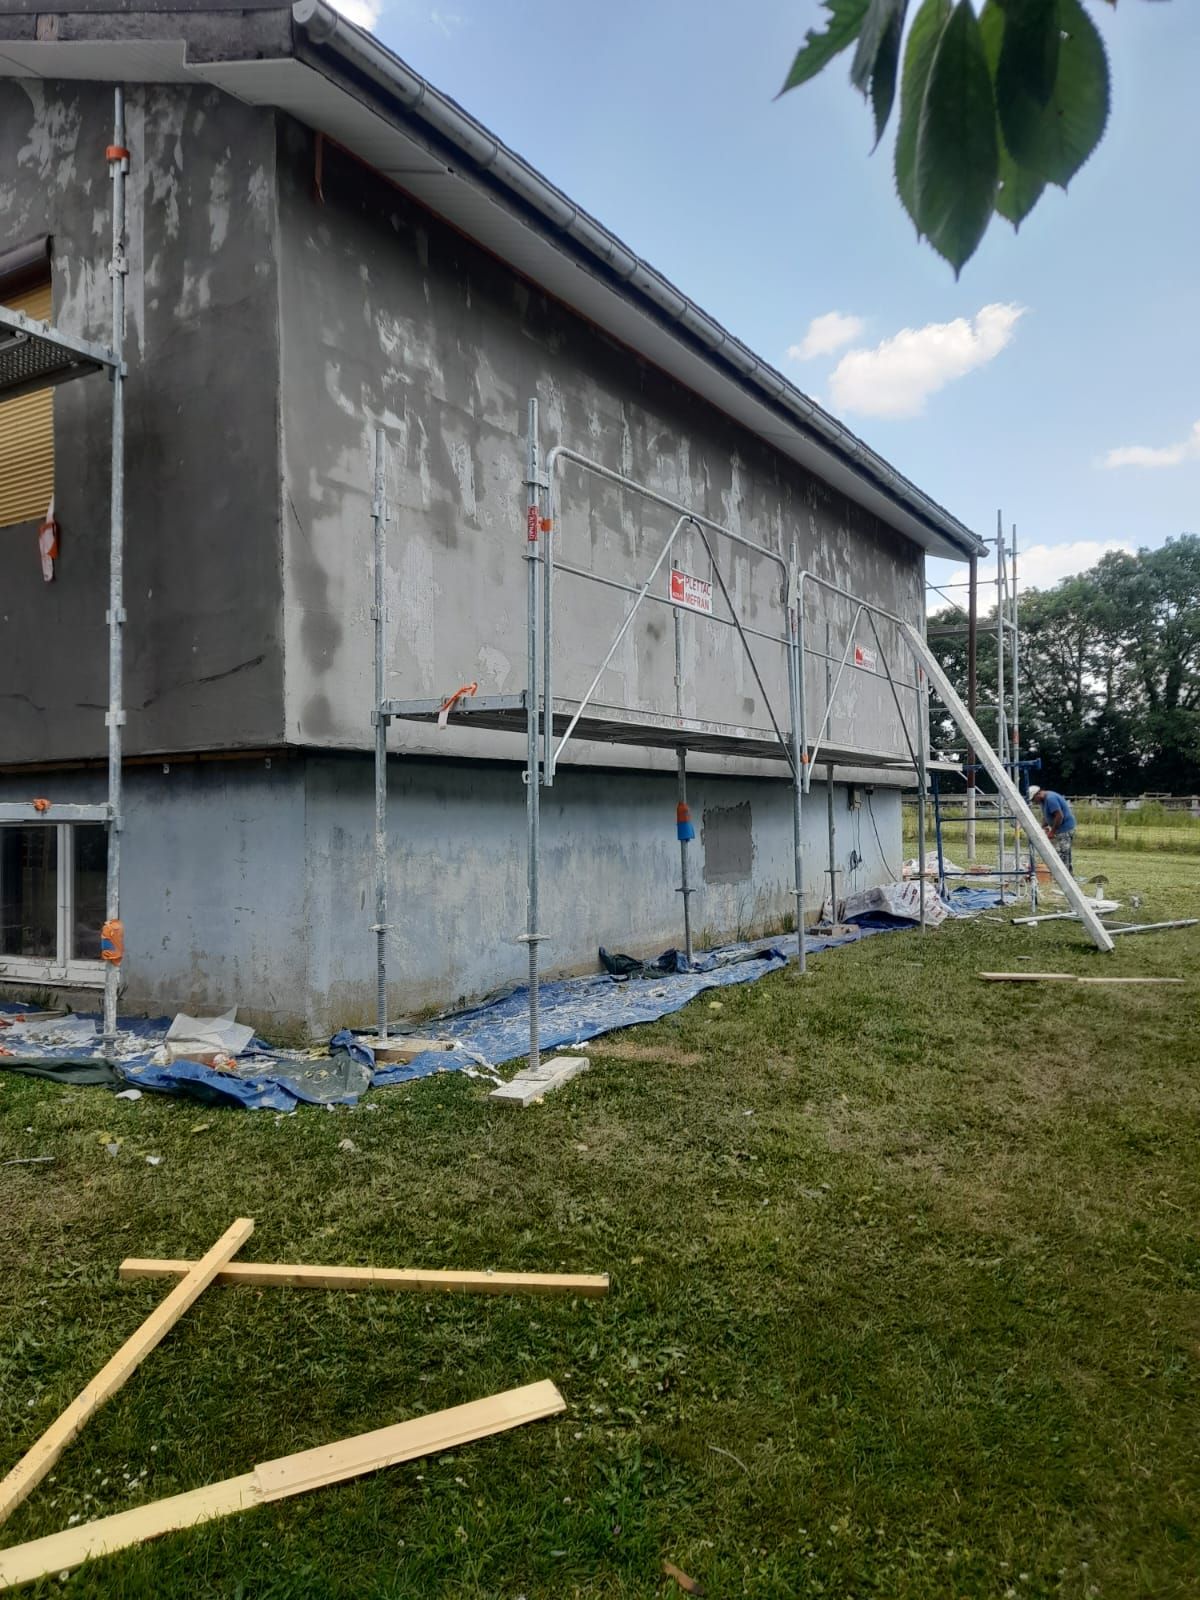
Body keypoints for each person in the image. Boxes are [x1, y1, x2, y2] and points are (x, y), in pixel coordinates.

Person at [1028, 782, 1076, 873]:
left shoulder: (1050, 799)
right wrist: (1042, 827)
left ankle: (1064, 876)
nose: (1034, 802)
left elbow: (1059, 816)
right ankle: (1069, 875)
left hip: (1065, 829)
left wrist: (1052, 832)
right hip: (1061, 828)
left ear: (1038, 794)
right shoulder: (1043, 800)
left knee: (1062, 854)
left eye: (1034, 799)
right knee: (1064, 853)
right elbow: (1047, 816)